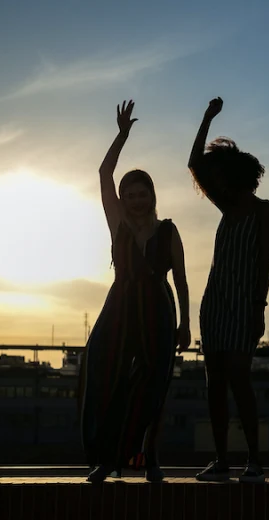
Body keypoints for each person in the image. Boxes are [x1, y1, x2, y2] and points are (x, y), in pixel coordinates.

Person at [79, 100, 191, 483]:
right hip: (121, 309)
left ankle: (149, 460)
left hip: (158, 311)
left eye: (142, 193)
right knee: (106, 378)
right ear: (124, 200)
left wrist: (186, 324)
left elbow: (181, 278)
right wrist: (122, 135)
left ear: (152, 196)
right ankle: (106, 460)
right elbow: (104, 172)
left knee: (153, 387)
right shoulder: (118, 226)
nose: (136, 199)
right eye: (131, 194)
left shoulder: (168, 231)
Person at [187, 97, 269, 483]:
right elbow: (194, 163)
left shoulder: (263, 210)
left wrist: (258, 307)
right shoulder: (225, 204)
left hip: (245, 304)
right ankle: (222, 461)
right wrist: (207, 118)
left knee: (239, 378)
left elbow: (265, 262)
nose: (219, 182)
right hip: (216, 304)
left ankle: (254, 460)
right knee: (215, 381)